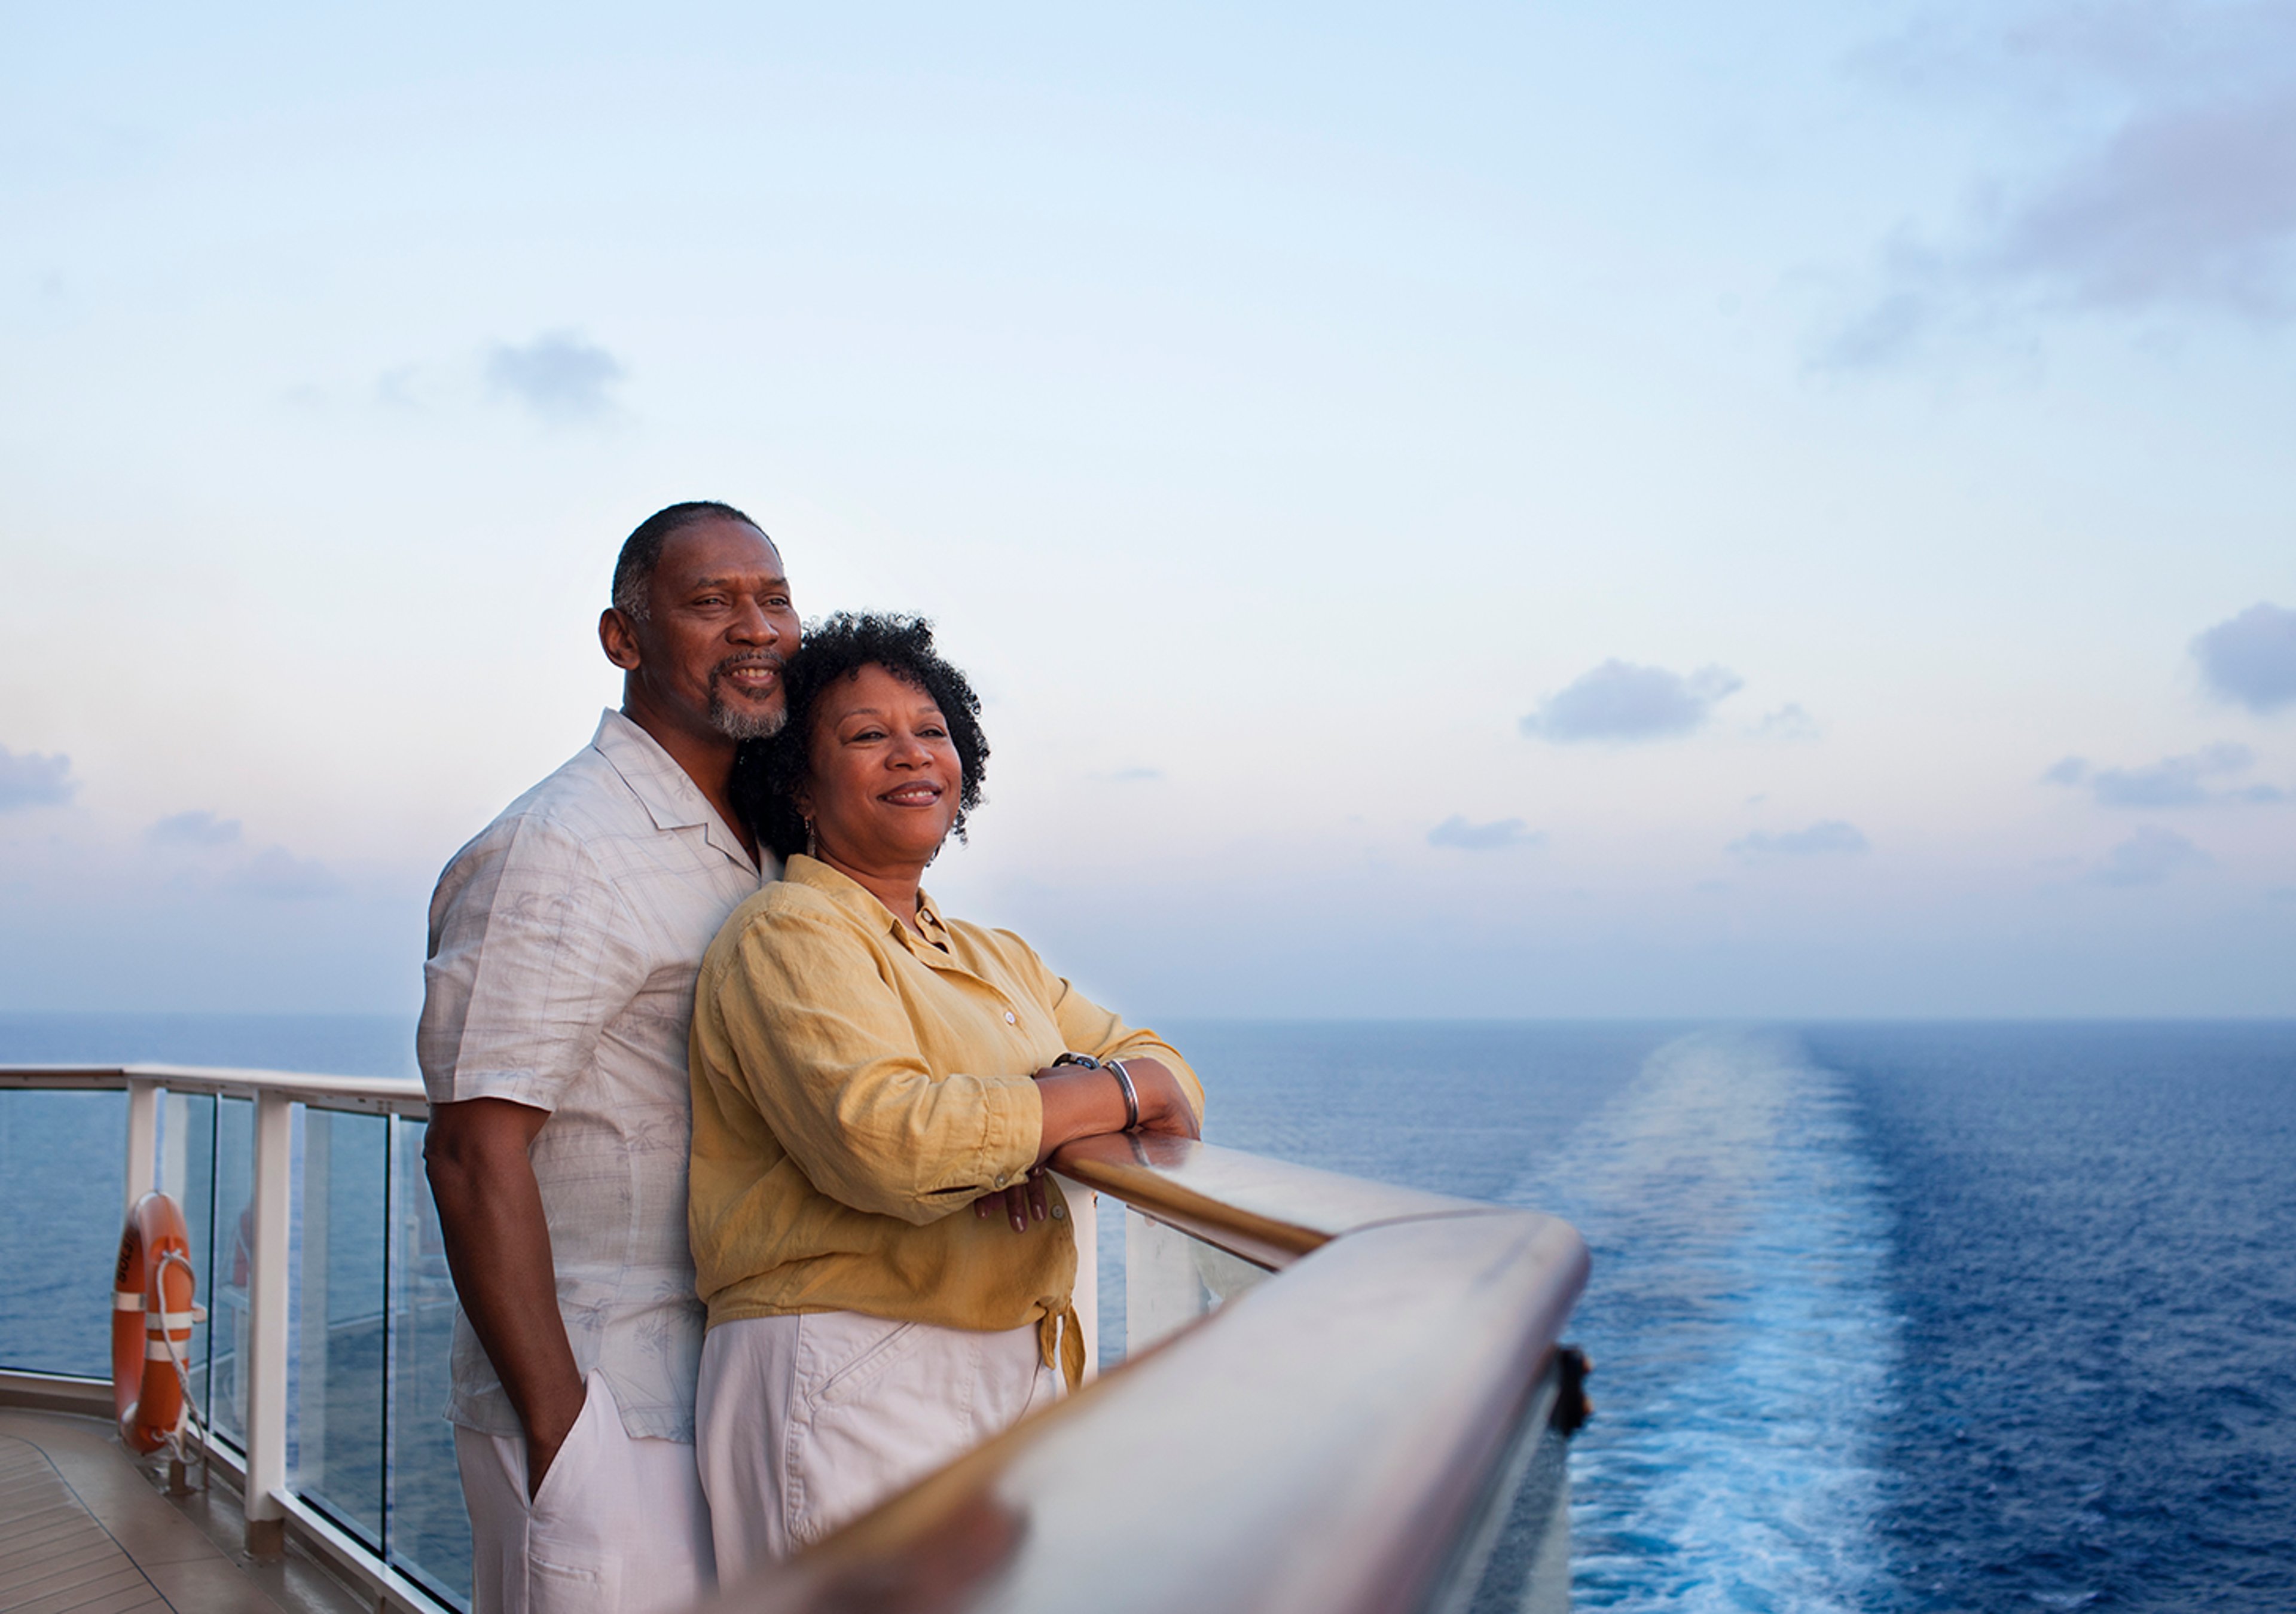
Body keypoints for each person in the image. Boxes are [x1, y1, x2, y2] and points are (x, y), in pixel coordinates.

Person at [686, 612, 1205, 1581]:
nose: (912, 754)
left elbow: (1168, 1077)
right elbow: (893, 1144)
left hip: (1015, 1356)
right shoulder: (788, 934)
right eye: (866, 735)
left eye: (930, 730)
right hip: (850, 1361)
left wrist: (1049, 1113)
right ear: (799, 781)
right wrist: (1071, 1105)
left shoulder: (990, 957)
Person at [418, 500, 798, 1614]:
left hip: (721, 1394)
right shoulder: (558, 845)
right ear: (622, 638)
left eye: (773, 598)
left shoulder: (770, 847)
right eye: (710, 601)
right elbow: (471, 1154)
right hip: (600, 1407)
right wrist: (560, 1430)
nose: (756, 627)